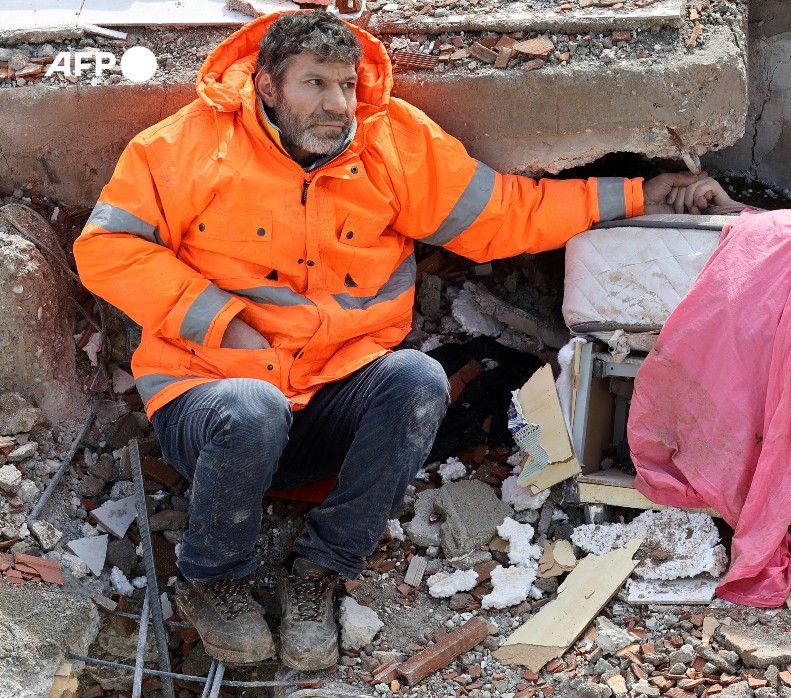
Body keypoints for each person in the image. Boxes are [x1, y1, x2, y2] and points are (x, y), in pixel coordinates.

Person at [74, 10, 737, 670]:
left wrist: (639, 194)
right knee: (253, 407)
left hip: (327, 406)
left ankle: (319, 574)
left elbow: (504, 215)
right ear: (268, 87)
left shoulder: (394, 145)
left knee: (419, 380)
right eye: (314, 85)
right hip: (214, 411)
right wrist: (220, 320)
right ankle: (212, 579)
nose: (338, 104)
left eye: (346, 84)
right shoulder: (184, 146)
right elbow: (105, 249)